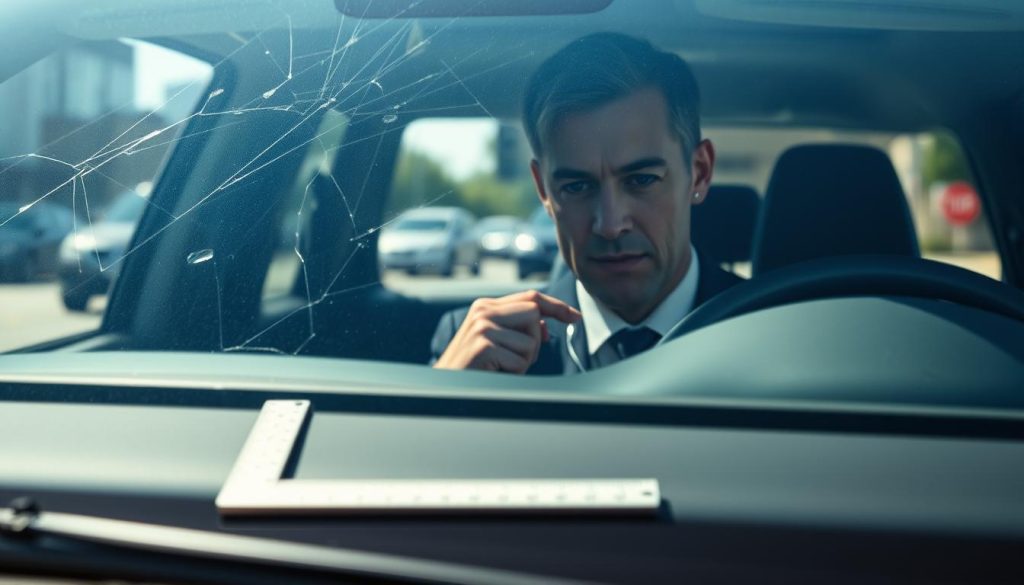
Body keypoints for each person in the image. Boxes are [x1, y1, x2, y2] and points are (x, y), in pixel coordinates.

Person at [430, 33, 743, 374]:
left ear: (699, 173)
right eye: (577, 186)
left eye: (641, 180)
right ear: (544, 190)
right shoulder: (481, 351)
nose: (610, 225)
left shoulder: (779, 327)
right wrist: (448, 392)